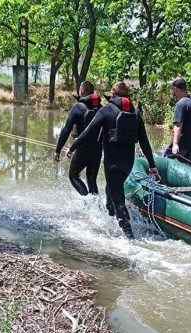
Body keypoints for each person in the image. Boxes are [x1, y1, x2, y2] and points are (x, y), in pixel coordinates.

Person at [68, 81, 160, 238]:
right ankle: (109, 222)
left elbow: (88, 133)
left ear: (113, 94)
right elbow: (144, 143)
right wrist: (152, 166)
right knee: (111, 191)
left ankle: (129, 238)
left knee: (117, 199)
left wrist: (72, 147)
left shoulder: (106, 110)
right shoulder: (135, 113)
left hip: (112, 164)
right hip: (128, 164)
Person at [55, 80, 102, 195]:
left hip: (82, 148)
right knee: (91, 180)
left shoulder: (77, 107)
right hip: (98, 149)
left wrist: (58, 150)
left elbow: (66, 130)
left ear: (81, 91)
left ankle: (87, 203)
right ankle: (97, 207)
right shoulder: (101, 108)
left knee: (73, 176)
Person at [164, 77, 191, 166]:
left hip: (183, 145)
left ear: (176, 89)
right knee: (190, 168)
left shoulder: (181, 104)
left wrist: (175, 144)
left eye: (172, 89)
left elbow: (178, 125)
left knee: (166, 157)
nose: (172, 93)